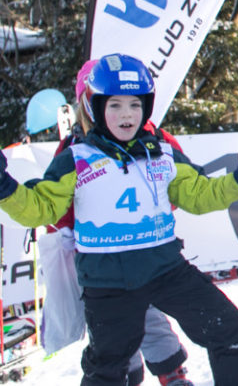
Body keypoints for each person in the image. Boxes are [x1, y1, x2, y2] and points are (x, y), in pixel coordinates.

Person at [0, 54, 238, 386]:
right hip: (108, 282)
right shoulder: (75, 159)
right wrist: (0, 185)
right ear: (95, 108)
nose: (126, 115)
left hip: (165, 270)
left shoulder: (162, 152)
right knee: (108, 368)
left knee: (228, 328)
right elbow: (41, 208)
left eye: (135, 105)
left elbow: (200, 195)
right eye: (115, 105)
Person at [49, 59, 195, 386]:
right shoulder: (73, 146)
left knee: (148, 316)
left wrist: (155, 211)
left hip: (143, 252)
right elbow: (54, 199)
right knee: (111, 327)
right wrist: (63, 231)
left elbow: (179, 183)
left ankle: (172, 373)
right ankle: (125, 375)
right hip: (97, 260)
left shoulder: (148, 137)